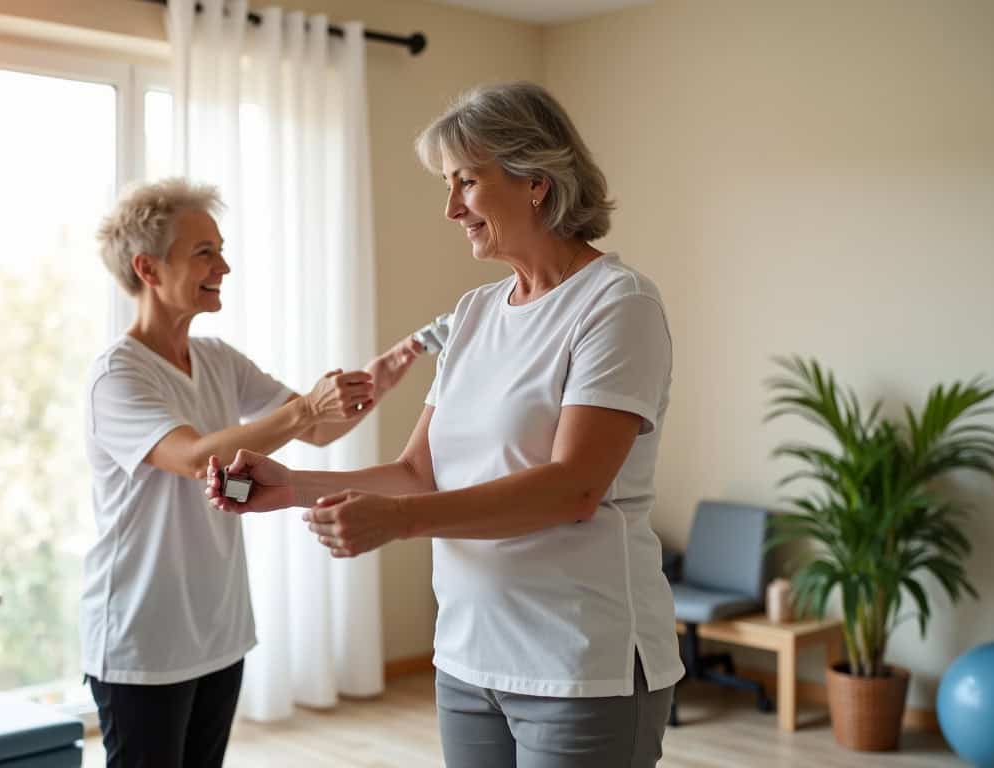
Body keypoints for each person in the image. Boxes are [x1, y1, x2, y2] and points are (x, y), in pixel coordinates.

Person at [207, 82, 683, 767]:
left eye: (466, 181)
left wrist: (400, 522)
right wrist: (293, 484)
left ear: (536, 183)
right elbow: (416, 471)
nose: (451, 207)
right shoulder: (476, 313)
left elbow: (573, 489)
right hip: (469, 657)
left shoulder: (616, 304)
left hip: (580, 661)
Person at [82, 178, 420, 767]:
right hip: (144, 636)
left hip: (218, 629)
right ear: (149, 268)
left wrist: (375, 382)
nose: (224, 265)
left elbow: (315, 430)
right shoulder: (117, 376)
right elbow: (192, 457)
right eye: (204, 252)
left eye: (220, 248)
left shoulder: (217, 359)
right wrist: (307, 407)